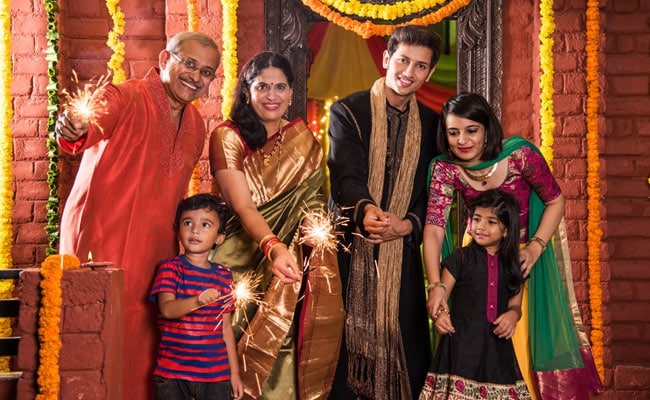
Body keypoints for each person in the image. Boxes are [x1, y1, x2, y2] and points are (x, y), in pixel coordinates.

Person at [54, 31, 221, 399]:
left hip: (156, 254)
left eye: (206, 71)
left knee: (144, 345)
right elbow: (84, 126)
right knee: (94, 338)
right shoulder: (123, 96)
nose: (196, 76)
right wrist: (73, 126)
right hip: (101, 243)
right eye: (189, 63)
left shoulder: (196, 125)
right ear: (164, 59)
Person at [424, 92, 603, 399]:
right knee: (475, 336)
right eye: (453, 133)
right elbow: (434, 228)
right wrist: (436, 284)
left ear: (487, 129)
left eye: (471, 130)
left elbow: (555, 200)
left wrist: (535, 247)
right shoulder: (446, 169)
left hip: (521, 258)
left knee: (518, 338)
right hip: (478, 258)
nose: (462, 140)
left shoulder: (520, 155)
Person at [208, 51, 344, 400]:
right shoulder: (228, 136)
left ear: (291, 91)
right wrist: (274, 247)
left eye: (280, 87)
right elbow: (242, 206)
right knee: (230, 342)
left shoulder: (305, 141)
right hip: (239, 260)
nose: (272, 95)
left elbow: (315, 202)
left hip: (290, 262)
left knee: (282, 342)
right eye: (262, 86)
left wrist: (312, 239)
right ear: (247, 91)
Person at [327, 25, 443, 400]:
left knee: (406, 348)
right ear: (386, 58)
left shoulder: (434, 125)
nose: (409, 72)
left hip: (402, 256)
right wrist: (366, 211)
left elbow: (434, 192)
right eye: (403, 60)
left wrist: (407, 225)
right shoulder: (349, 111)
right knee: (344, 354)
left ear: (429, 73)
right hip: (350, 249)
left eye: (420, 66)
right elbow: (345, 175)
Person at [420, 189, 530, 400]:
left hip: (498, 348)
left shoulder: (514, 265)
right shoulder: (460, 258)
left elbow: (515, 305)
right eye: (477, 219)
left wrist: (512, 315)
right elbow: (441, 297)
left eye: (491, 222)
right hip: (461, 345)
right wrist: (440, 316)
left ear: (506, 230)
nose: (480, 226)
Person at [149, 193, 243, 400]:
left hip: (216, 376)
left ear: (220, 237)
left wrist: (234, 373)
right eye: (188, 222)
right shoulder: (170, 268)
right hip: (172, 374)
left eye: (205, 224)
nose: (195, 230)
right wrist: (198, 300)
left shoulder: (224, 276)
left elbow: (226, 328)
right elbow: (167, 309)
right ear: (177, 230)